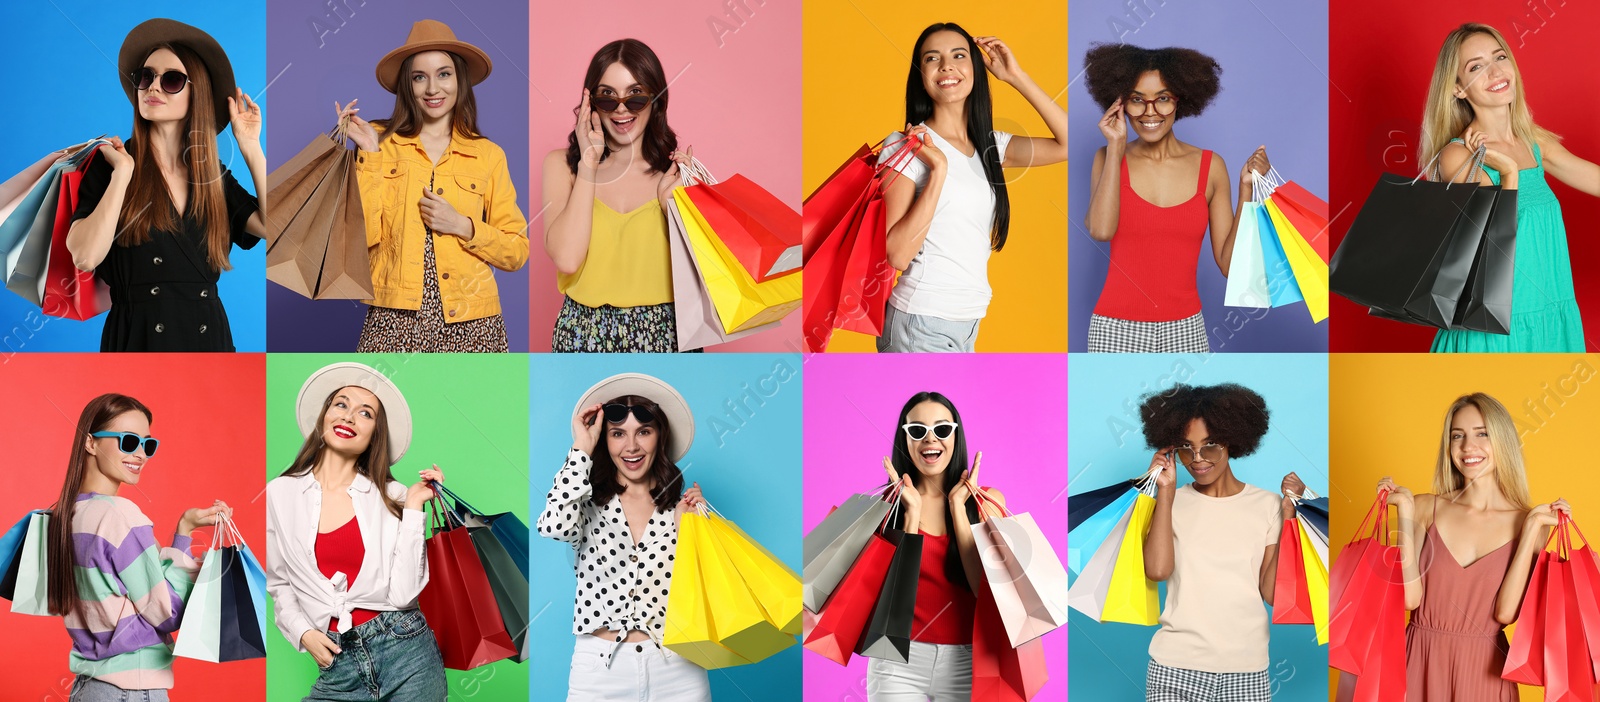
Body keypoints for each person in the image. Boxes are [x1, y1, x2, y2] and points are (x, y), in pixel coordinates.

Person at [67, 19, 266, 351]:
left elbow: (276, 228)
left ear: (196, 93)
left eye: (171, 79)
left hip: (210, 342)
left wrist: (251, 147)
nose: (153, 87)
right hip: (137, 340)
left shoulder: (211, 174)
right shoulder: (111, 163)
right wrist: (122, 175)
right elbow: (85, 257)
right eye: (146, 77)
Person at [336, 19, 529, 353]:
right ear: (407, 86)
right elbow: (358, 239)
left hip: (473, 319)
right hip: (394, 315)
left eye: (444, 74)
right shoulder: (381, 142)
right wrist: (369, 153)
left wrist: (464, 226)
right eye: (419, 77)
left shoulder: (488, 155)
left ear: (460, 80)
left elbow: (517, 251)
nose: (432, 89)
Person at [874, 24, 1069, 353]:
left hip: (969, 320)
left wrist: (1015, 76)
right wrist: (938, 171)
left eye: (958, 55)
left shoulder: (989, 146)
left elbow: (1068, 144)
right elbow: (898, 253)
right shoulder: (907, 144)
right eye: (932, 58)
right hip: (920, 320)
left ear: (975, 69)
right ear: (921, 75)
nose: (946, 65)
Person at [265, 362, 448, 701]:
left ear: (374, 434)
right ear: (324, 417)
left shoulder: (394, 496)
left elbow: (404, 596)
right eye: (341, 404)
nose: (349, 416)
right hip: (337, 663)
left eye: (366, 413)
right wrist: (302, 631)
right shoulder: (280, 493)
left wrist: (414, 508)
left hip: (407, 651)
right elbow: (279, 582)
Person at [1374, 392, 1570, 699]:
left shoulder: (1529, 523)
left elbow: (1505, 614)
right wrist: (1405, 511)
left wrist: (1531, 527)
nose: (1468, 447)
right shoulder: (1425, 507)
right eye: (1457, 436)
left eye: (1482, 434)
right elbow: (1410, 600)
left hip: (1486, 672)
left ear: (1502, 441)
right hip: (1418, 661)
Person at [1083, 45, 1273, 353]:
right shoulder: (1106, 157)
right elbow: (1101, 231)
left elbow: (1229, 265)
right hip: (1115, 329)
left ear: (1179, 100)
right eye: (1136, 100)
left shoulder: (1211, 167)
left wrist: (1246, 190)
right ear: (1121, 104)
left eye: (1162, 99)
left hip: (1186, 329)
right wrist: (1116, 146)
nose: (1149, 112)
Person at [1422, 24, 1600, 352]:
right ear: (1458, 89)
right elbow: (1496, 237)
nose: (1495, 71)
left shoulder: (1535, 145)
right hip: (1494, 330)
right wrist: (1507, 172)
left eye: (1500, 57)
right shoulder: (1457, 156)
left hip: (1551, 320)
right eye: (1476, 66)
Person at [44, 393, 231, 700]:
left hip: (86, 689)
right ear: (90, 442)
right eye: (128, 441)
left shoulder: (62, 516)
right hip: (130, 691)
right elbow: (167, 612)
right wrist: (185, 541)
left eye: (148, 444)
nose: (141, 454)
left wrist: (184, 526)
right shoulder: (120, 515)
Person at [537, 373, 710, 700]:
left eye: (643, 432)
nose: (631, 447)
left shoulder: (679, 507)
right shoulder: (585, 503)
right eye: (618, 434)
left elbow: (706, 587)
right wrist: (580, 450)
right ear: (605, 439)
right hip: (600, 672)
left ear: (660, 437)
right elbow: (552, 526)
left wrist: (695, 526)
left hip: (678, 666)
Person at [1139, 383, 1301, 701]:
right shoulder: (1170, 502)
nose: (1197, 458)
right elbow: (1157, 571)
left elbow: (1271, 594)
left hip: (1248, 672)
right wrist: (1165, 493)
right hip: (1174, 669)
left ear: (1230, 439)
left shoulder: (1268, 505)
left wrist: (1289, 518)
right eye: (1186, 447)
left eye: (1209, 444)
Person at [541, 40, 698, 353]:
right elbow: (568, 259)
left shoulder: (678, 174)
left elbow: (705, 282)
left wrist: (674, 209)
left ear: (656, 99)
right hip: (581, 333)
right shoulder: (562, 165)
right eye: (608, 97)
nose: (622, 109)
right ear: (591, 102)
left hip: (667, 333)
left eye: (636, 96)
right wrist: (588, 163)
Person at [869, 391, 1001, 700]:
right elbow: (891, 600)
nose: (931, 439)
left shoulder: (988, 503)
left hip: (968, 660)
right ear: (906, 439)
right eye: (918, 431)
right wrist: (910, 515)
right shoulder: (885, 508)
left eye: (942, 429)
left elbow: (985, 592)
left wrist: (958, 509)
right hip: (896, 659)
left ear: (956, 436)